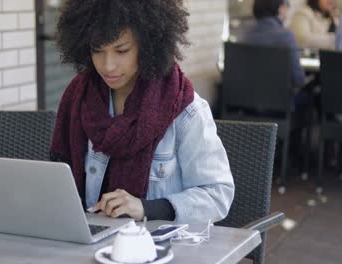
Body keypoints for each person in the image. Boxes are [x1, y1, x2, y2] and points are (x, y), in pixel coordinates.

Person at [50, 0, 234, 224]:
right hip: (92, 244)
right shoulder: (78, 98)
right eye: (97, 50)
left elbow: (218, 196)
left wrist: (146, 208)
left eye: (122, 51)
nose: (108, 66)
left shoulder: (185, 110)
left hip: (161, 249)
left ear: (148, 45)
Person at [243, 0, 306, 88]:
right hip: (280, 99)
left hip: (245, 98)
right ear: (281, 8)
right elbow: (298, 79)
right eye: (287, 5)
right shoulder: (286, 36)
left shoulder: (244, 35)